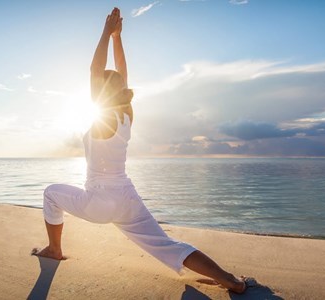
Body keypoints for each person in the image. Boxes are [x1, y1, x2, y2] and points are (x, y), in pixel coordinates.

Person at [33, 7, 249, 294]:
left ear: (101, 94)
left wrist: (105, 33)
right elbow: (121, 73)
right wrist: (118, 38)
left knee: (51, 193)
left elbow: (95, 70)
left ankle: (54, 249)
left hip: (99, 199)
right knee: (169, 246)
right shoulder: (125, 116)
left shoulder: (105, 118)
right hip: (128, 197)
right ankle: (230, 280)